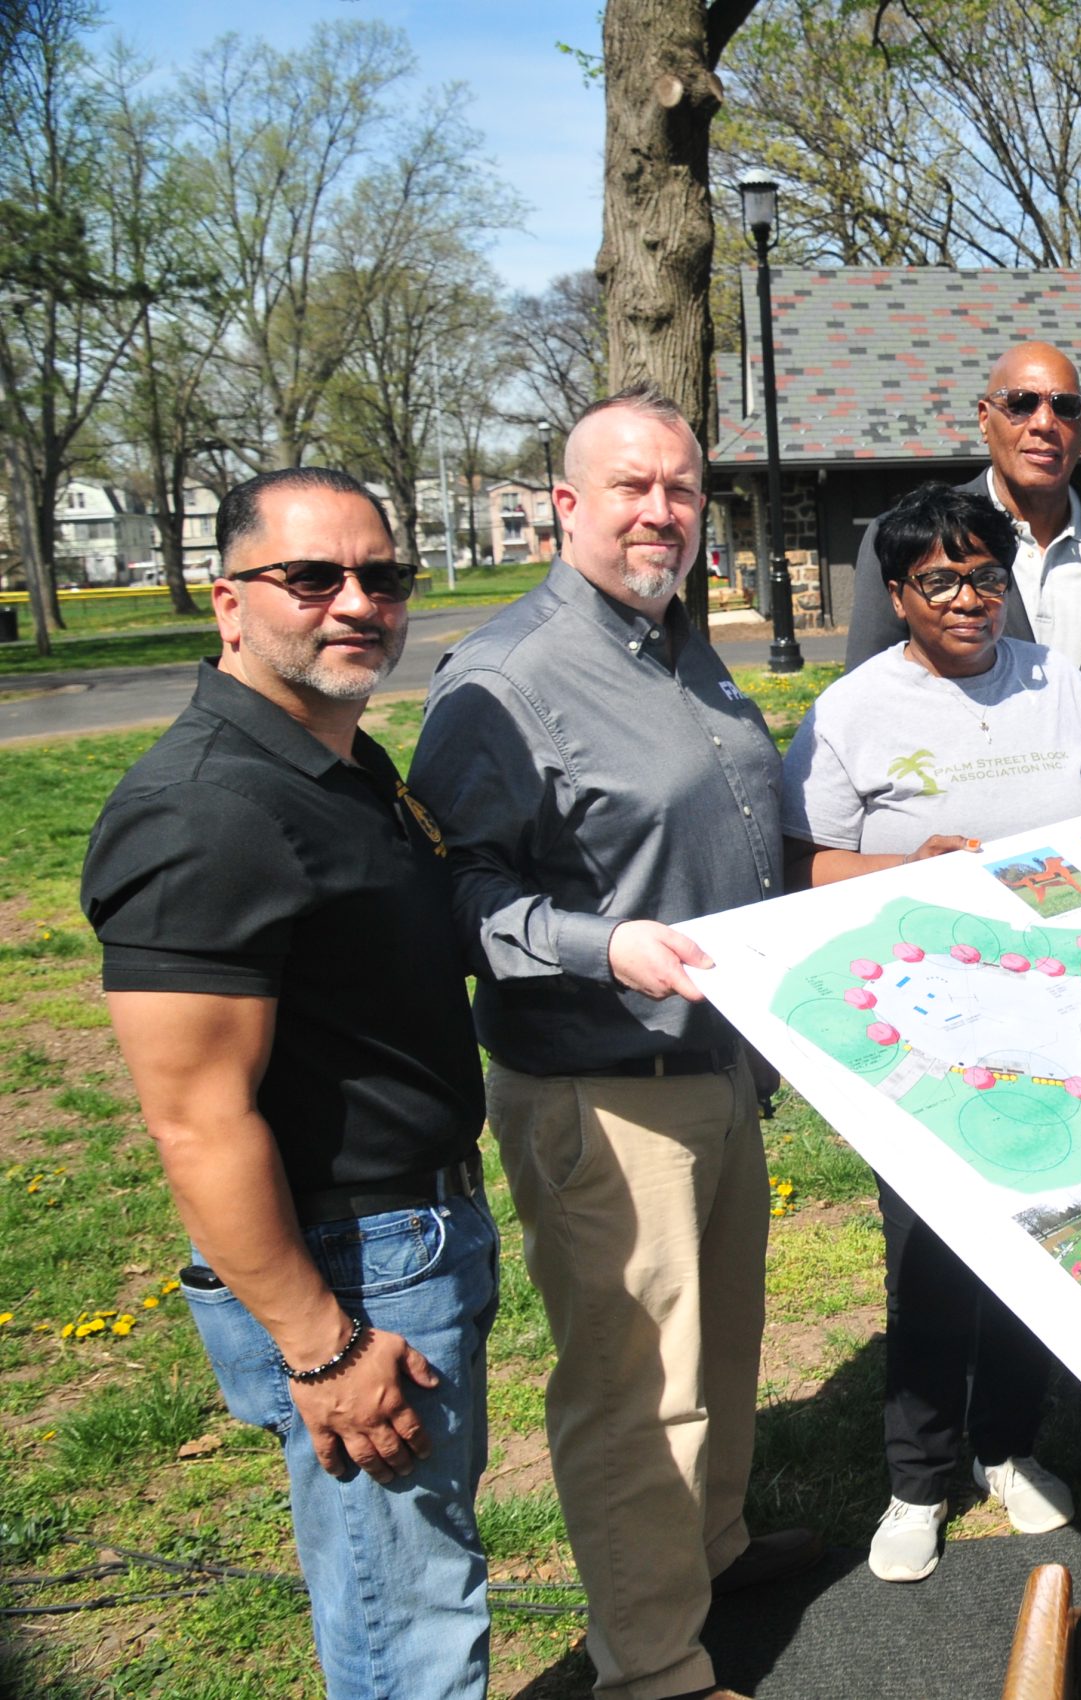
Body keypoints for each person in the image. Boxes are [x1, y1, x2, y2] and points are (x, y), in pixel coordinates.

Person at [408, 385, 815, 1700]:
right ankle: (651, 1665)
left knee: (721, 1349)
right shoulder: (506, 681)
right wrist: (603, 943)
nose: (662, 509)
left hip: (711, 1070)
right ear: (565, 506)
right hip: (602, 1088)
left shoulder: (682, 643)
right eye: (631, 487)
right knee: (641, 1394)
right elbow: (454, 898)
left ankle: (708, 1551)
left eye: (682, 487)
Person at [82, 468, 496, 1699]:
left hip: (412, 1229)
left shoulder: (341, 754)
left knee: (422, 1567)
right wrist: (322, 1347)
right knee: (407, 1604)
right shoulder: (206, 808)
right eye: (311, 577)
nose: (356, 601)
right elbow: (195, 1117)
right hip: (348, 1263)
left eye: (384, 575)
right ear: (229, 601)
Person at [783, 483, 1081, 1582]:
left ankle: (1010, 1445)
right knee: (927, 1254)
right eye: (940, 580)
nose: (968, 598)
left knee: (1035, 1227)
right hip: (921, 1028)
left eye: (985, 574)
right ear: (897, 593)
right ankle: (917, 1479)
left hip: (1061, 1016)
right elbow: (805, 862)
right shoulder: (852, 709)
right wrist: (907, 870)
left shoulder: (1056, 683)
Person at [841, 340, 1081, 799]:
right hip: (960, 822)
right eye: (1020, 404)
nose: (1044, 424)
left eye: (1065, 407)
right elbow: (870, 694)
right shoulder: (910, 541)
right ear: (984, 418)